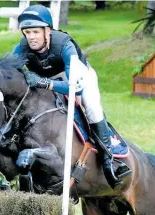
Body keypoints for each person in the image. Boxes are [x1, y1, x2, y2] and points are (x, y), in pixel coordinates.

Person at [12, 4, 130, 189]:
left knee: (91, 107)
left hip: (78, 78)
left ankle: (109, 160)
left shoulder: (64, 44)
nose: (31, 37)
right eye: (27, 32)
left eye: (35, 31)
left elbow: (77, 87)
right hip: (46, 80)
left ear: (47, 31)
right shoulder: (23, 46)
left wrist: (45, 83)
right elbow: (9, 71)